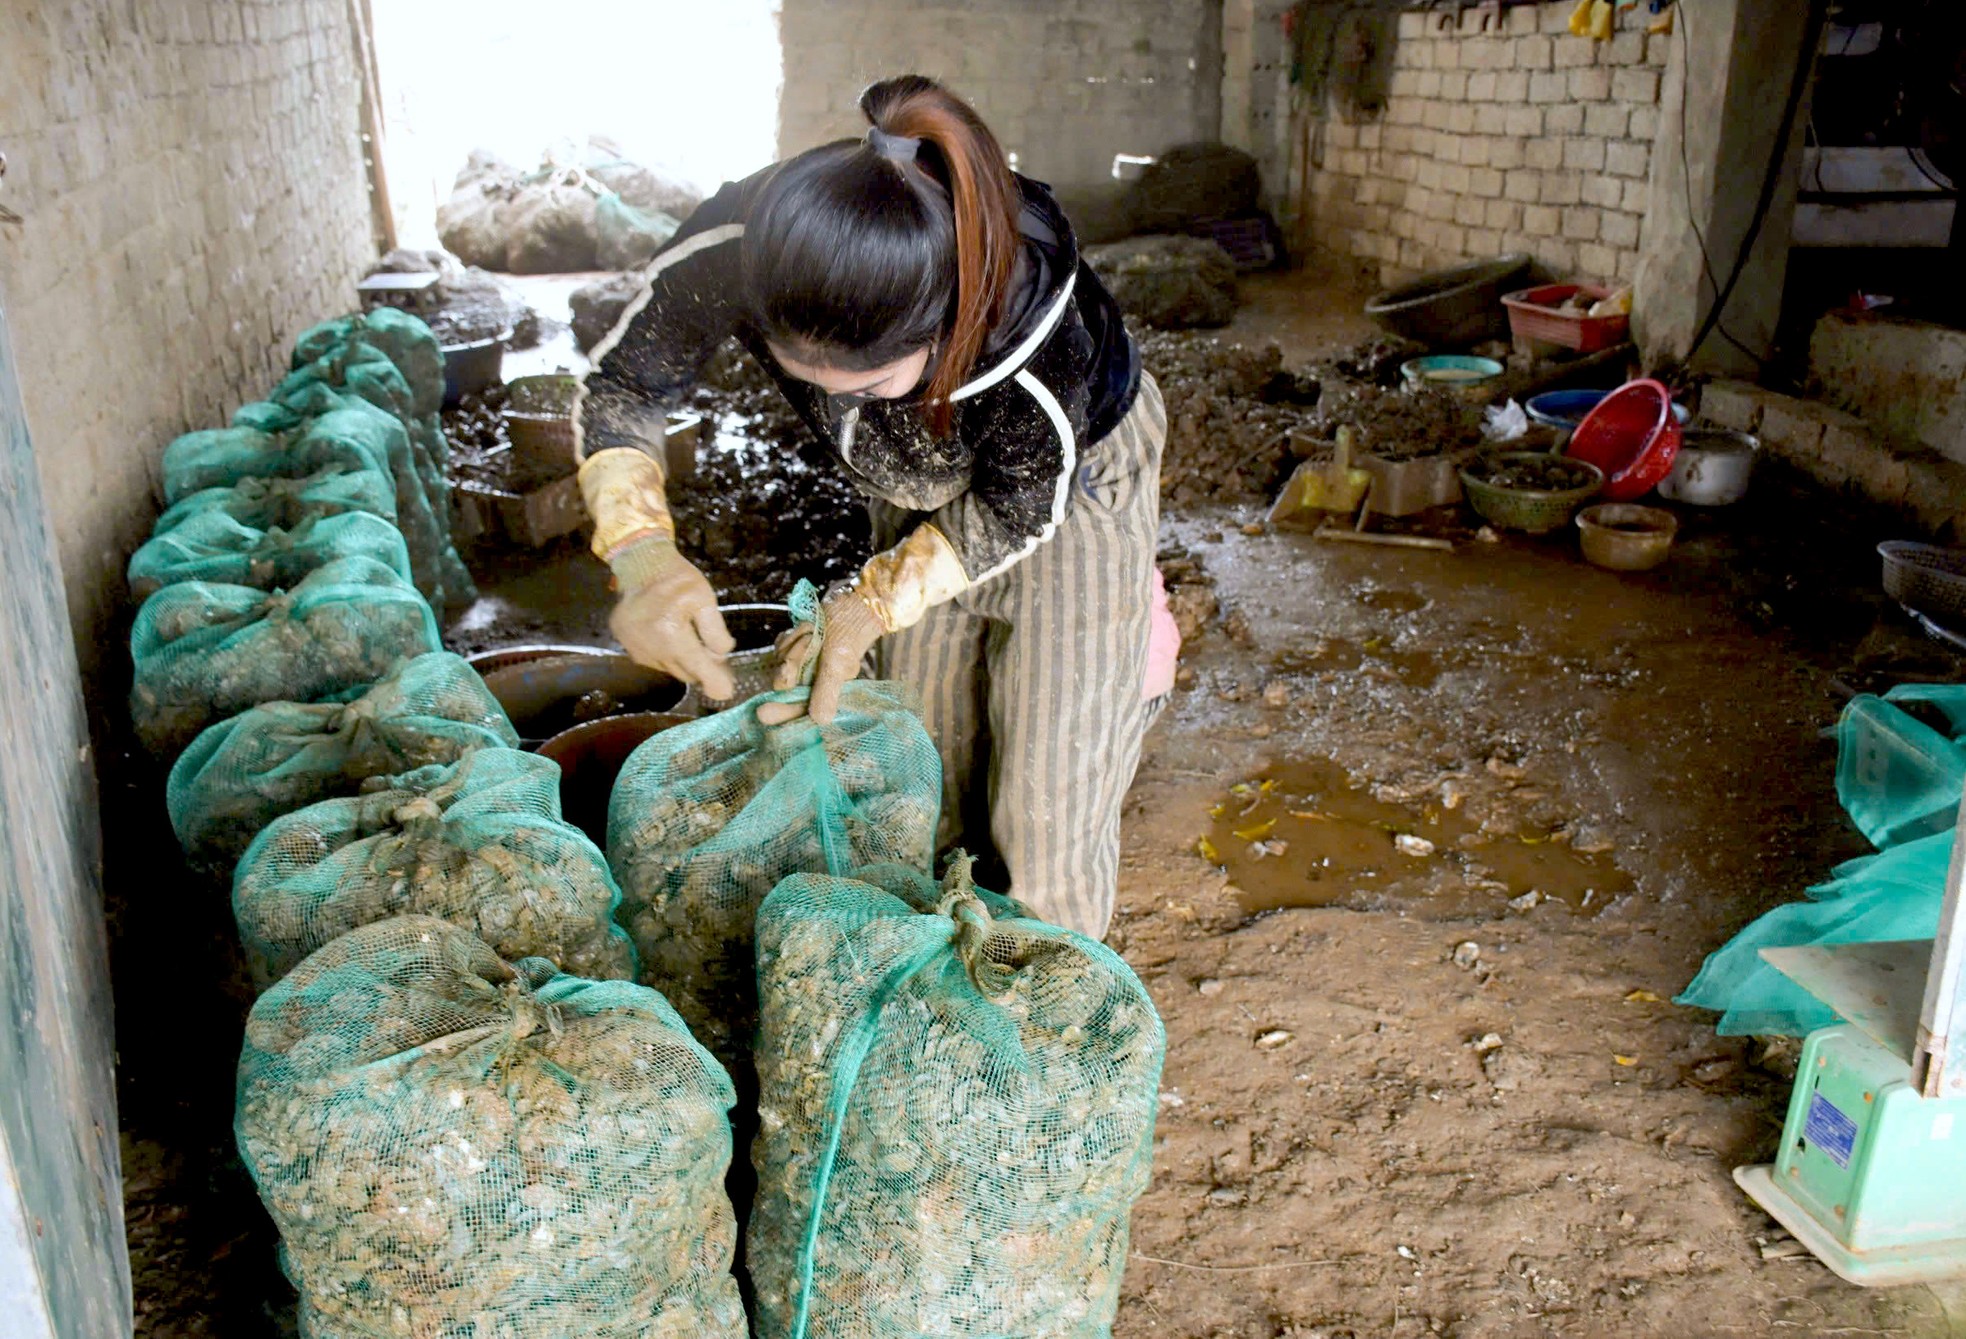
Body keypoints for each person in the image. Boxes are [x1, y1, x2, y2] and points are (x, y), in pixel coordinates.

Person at [573, 75, 1169, 938]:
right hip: (911, 466)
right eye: (802, 375)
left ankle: (1034, 1008)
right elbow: (625, 384)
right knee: (922, 755)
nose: (829, 398)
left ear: (944, 329)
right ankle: (934, 955)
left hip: (1063, 486)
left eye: (866, 382)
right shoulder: (739, 248)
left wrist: (878, 599)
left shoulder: (1033, 335)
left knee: (1046, 793)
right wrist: (641, 553)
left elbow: (1013, 508)